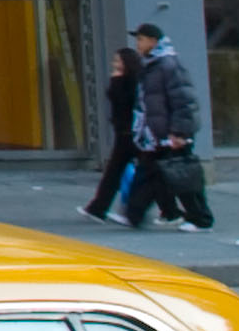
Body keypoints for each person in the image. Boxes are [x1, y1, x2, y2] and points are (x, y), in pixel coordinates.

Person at [121, 19, 211, 230]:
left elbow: (184, 100)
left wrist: (179, 132)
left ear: (153, 41)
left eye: (141, 40)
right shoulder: (153, 65)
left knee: (183, 178)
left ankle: (201, 218)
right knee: (155, 175)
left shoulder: (167, 65)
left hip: (170, 135)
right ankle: (147, 214)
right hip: (156, 134)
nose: (138, 44)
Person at [79, 34, 146, 221]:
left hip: (131, 133)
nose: (114, 64)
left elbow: (123, 103)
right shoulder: (125, 79)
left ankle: (101, 208)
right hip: (125, 133)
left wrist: (116, 82)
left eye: (118, 60)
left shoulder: (131, 81)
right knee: (116, 173)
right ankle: (98, 208)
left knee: (123, 172)